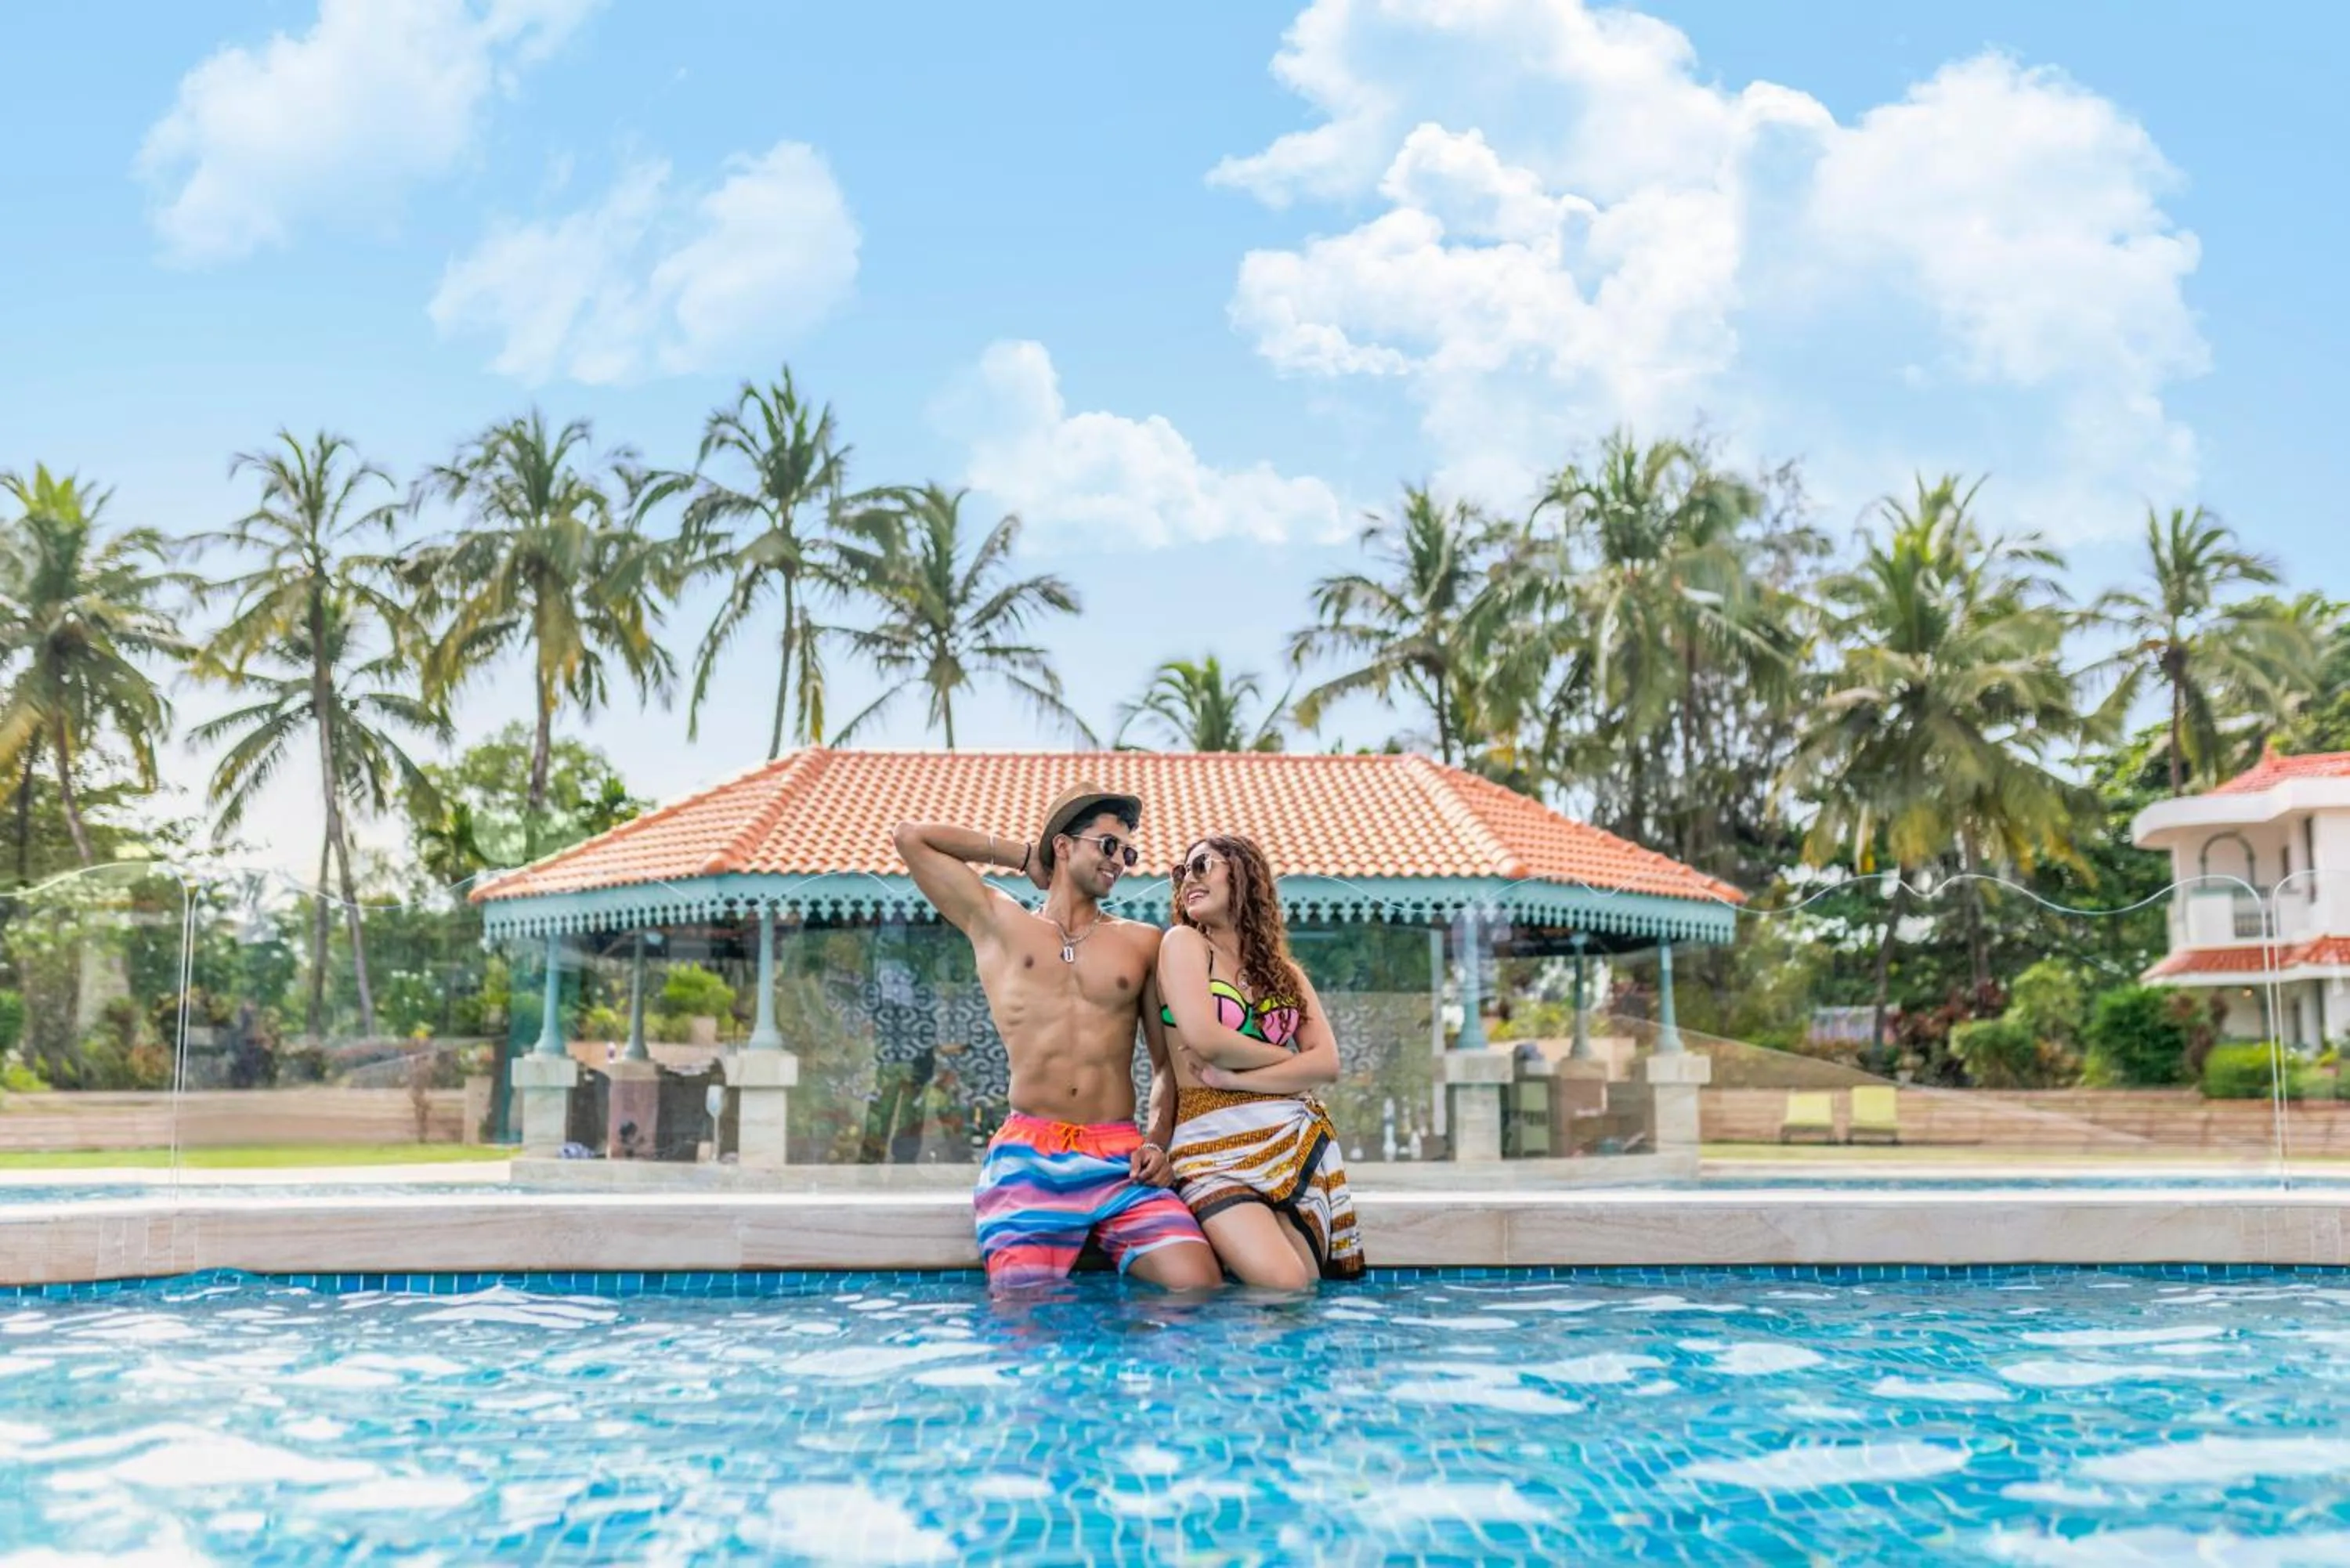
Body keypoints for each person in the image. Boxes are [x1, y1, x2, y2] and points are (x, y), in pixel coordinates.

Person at [892, 785, 1223, 1293]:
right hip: (1030, 1154)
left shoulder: (1142, 943)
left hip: (1120, 1158)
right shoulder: (1000, 923)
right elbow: (912, 838)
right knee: (1022, 1313)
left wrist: (1159, 1142)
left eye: (1128, 853)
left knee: (1197, 1284)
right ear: (1065, 846)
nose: (1120, 862)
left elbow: (1165, 1066)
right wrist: (1025, 855)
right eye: (1108, 846)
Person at [1158, 833, 1365, 1288]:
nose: (1188, 879)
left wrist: (1234, 1078)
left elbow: (1327, 1063)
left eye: (1202, 866)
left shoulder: (1284, 972)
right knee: (1285, 1282)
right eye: (1182, 872)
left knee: (1302, 1286)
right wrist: (1290, 1063)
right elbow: (1205, 1038)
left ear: (1244, 874)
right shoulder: (1184, 945)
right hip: (1212, 1146)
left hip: (1290, 1141)